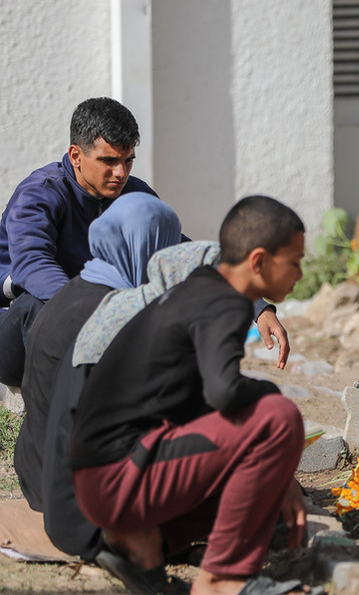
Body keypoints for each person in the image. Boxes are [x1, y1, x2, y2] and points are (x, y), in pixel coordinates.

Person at [69, 196, 320, 595]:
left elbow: (199, 397)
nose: (300, 274)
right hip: (117, 479)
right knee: (277, 416)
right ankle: (223, 580)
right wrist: (268, 390)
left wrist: (280, 477)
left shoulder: (200, 287)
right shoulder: (223, 304)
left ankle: (142, 546)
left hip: (99, 478)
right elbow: (223, 392)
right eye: (294, 261)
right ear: (258, 261)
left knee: (261, 486)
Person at [0, 97, 291, 387]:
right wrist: (99, 316)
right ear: (76, 155)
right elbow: (33, 264)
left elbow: (183, 255)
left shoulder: (133, 194)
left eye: (128, 161)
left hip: (91, 321)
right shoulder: (40, 194)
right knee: (37, 301)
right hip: (17, 329)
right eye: (109, 161)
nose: (121, 173)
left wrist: (257, 306)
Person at [14, 192, 182, 513]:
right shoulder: (114, 316)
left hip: (35, 474)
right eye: (165, 247)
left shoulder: (72, 291)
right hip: (74, 494)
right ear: (145, 247)